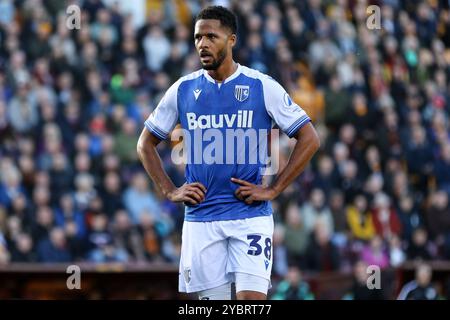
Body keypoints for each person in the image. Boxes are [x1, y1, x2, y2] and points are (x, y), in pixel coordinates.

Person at [137, 6, 319, 300]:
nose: (202, 44)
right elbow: (144, 143)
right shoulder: (182, 89)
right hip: (201, 218)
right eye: (197, 37)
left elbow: (309, 138)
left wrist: (274, 189)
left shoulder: (262, 86)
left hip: (249, 216)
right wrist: (169, 191)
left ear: (231, 39)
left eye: (211, 36)